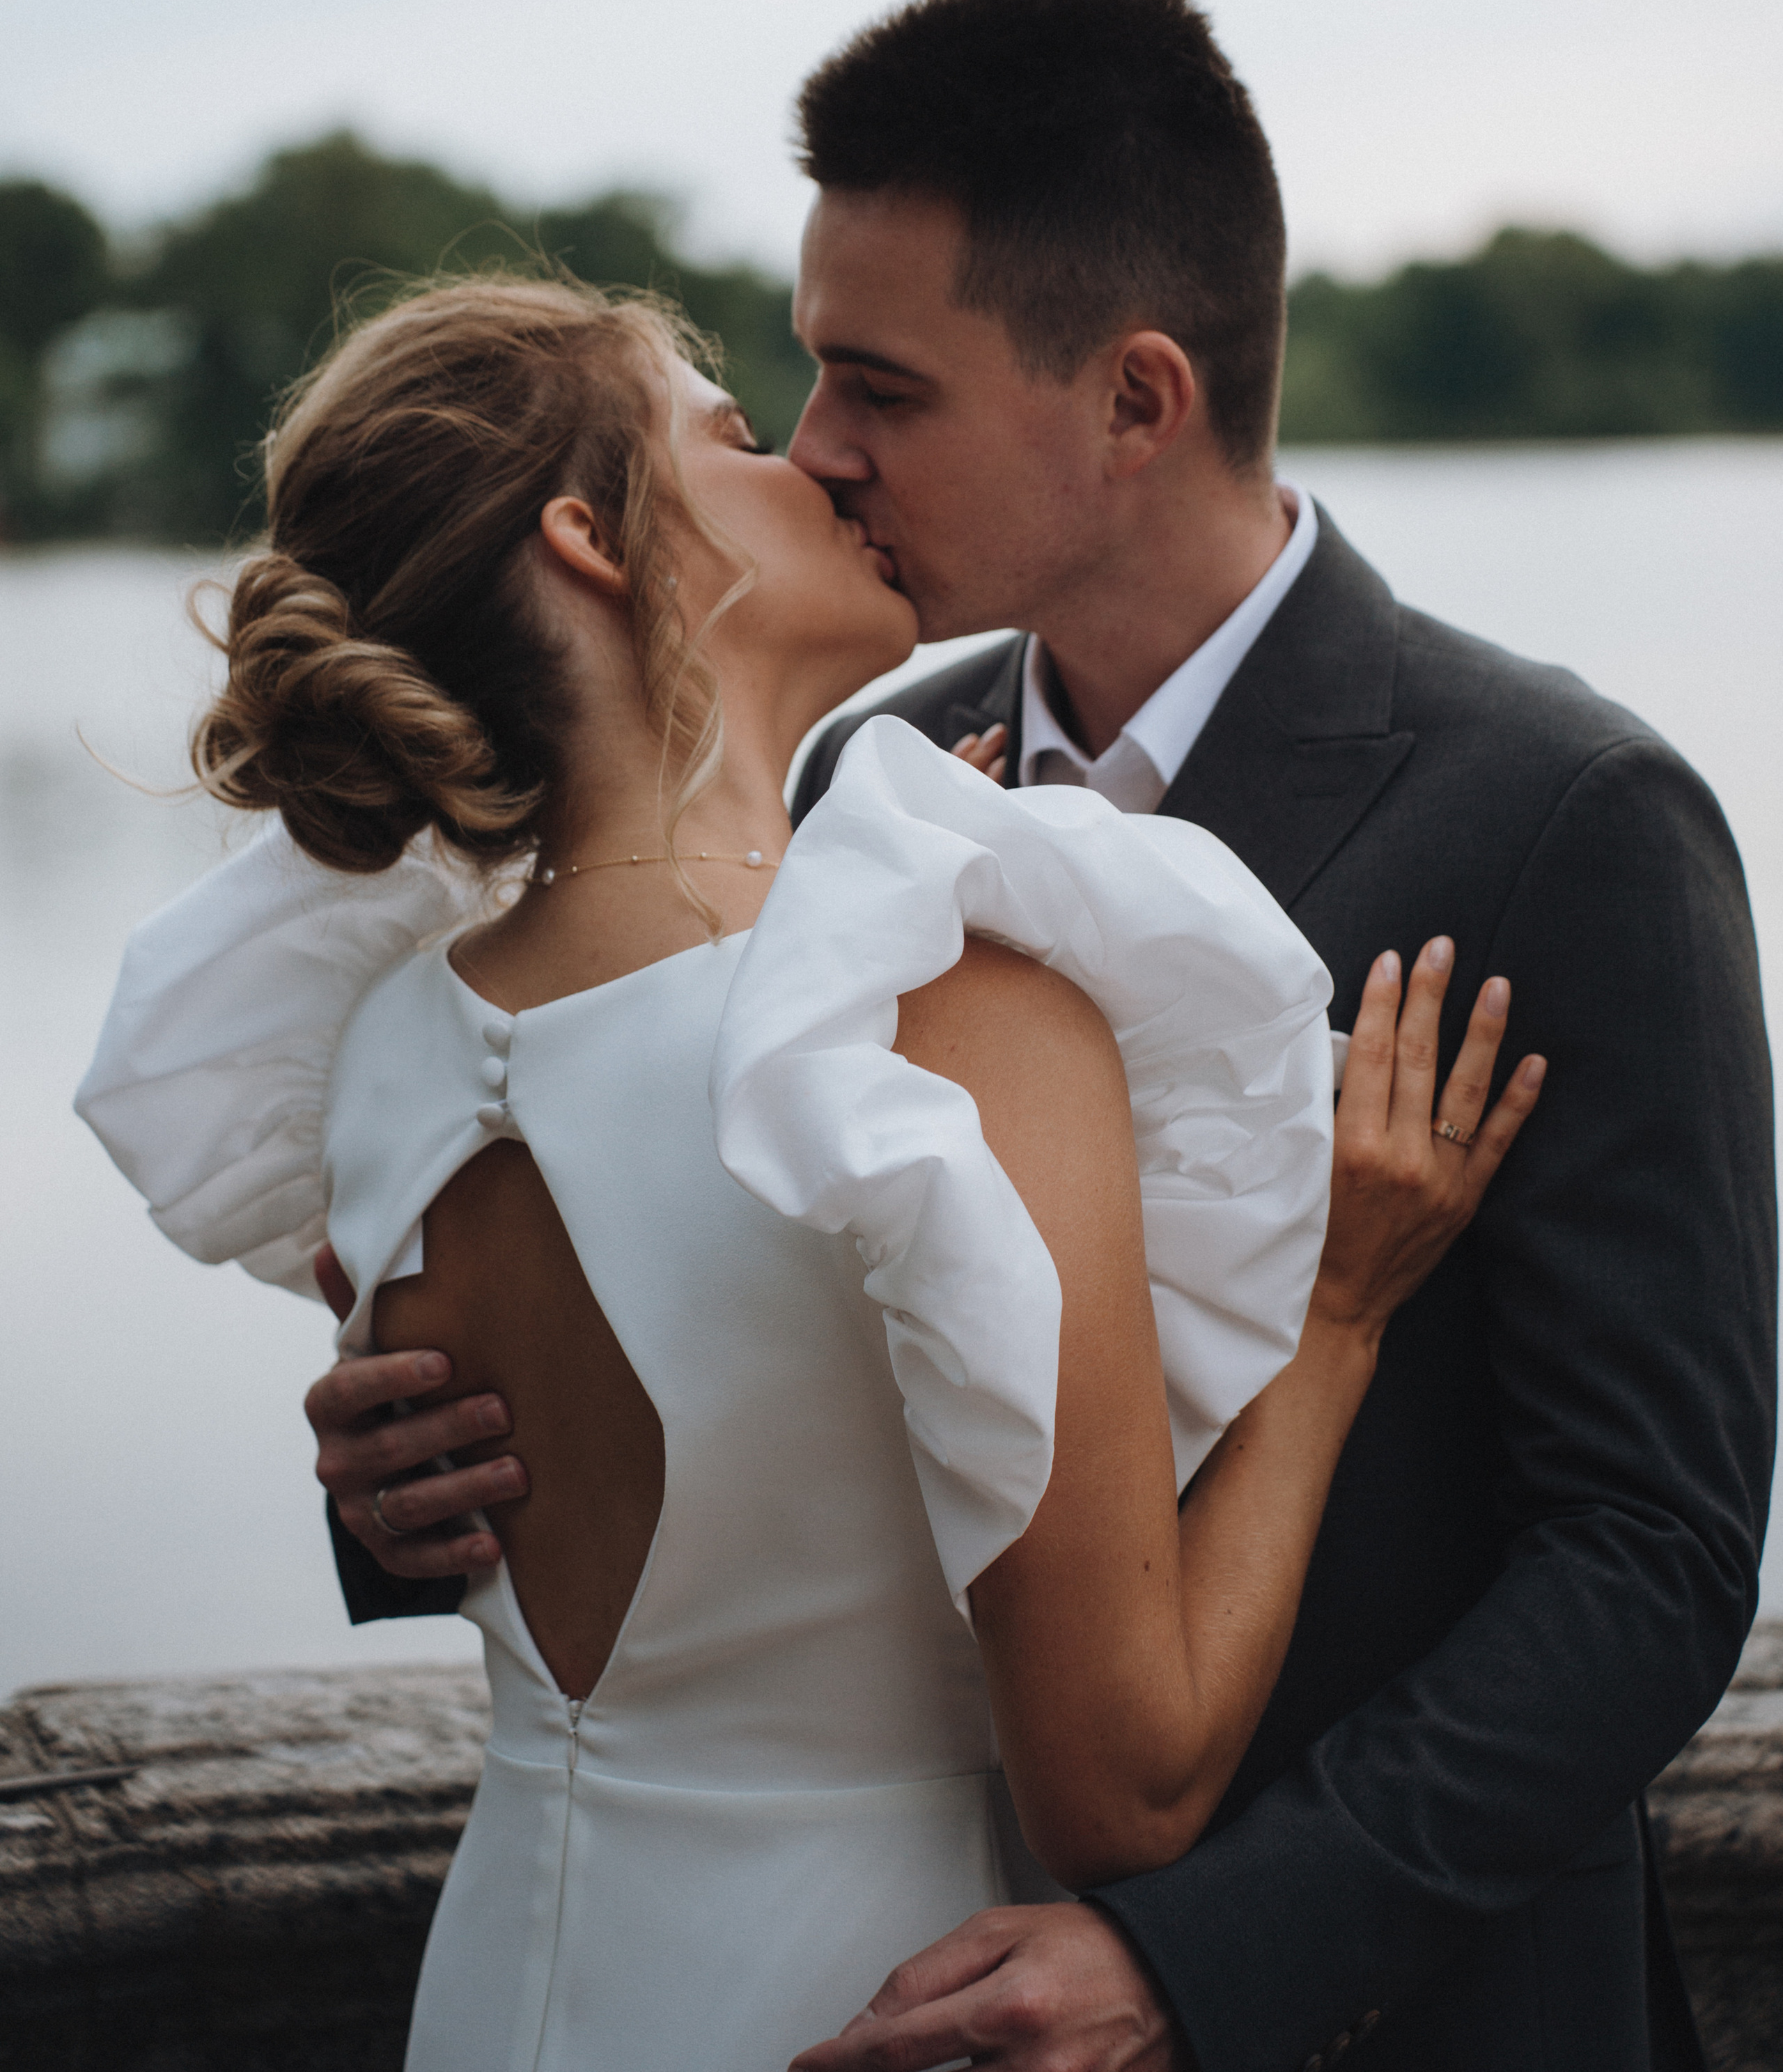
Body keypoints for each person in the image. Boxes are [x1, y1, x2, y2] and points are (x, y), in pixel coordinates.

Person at [311, 0, 1773, 2071]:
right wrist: (415, 1485)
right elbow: (768, 1393)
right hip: (884, 1973)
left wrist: (1205, 1961)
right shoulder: (852, 786)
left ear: (1135, 402)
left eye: (877, 386)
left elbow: (1652, 1558)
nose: (817, 449)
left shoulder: (1567, 823)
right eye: (805, 378)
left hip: (1408, 2016)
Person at [77, 270, 1534, 2070]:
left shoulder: (372, 1036)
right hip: (855, 2000)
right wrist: (1335, 1314)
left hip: (506, 1979)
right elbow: (1125, 1797)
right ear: (593, 540)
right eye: (737, 437)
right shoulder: (951, 1011)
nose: (822, 468)